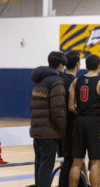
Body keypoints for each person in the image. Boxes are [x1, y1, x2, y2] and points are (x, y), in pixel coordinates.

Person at [68, 54, 100, 187]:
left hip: (79, 121)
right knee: (96, 162)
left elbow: (70, 106)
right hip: (94, 121)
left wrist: (81, 112)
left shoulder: (76, 81)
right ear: (99, 66)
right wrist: (97, 114)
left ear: (85, 66)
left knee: (77, 162)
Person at [30, 51, 67, 187]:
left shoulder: (38, 79)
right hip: (49, 132)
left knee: (39, 165)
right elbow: (58, 110)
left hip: (37, 130)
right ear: (60, 64)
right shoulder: (56, 81)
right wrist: (62, 130)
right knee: (46, 167)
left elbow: (32, 105)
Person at [58, 51, 90, 187]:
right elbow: (75, 106)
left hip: (59, 125)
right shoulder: (75, 82)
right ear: (77, 64)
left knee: (67, 159)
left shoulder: (59, 79)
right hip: (72, 125)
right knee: (73, 159)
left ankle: (83, 183)